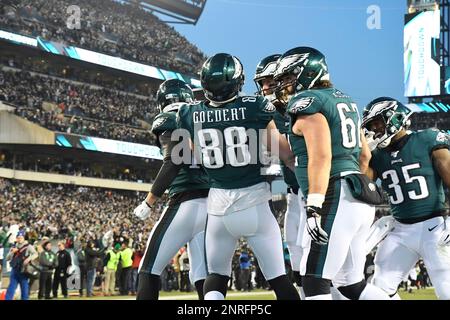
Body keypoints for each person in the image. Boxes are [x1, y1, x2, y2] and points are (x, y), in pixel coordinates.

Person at [176, 53, 300, 300]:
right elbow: (284, 153)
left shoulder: (188, 113)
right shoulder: (254, 107)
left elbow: (192, 156)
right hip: (254, 204)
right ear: (238, 81)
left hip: (218, 207)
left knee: (217, 277)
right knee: (278, 279)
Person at [274, 46, 390, 300]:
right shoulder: (344, 99)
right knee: (351, 284)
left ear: (307, 73)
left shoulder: (307, 103)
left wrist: (315, 204)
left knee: (314, 278)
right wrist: (351, 186)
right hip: (357, 194)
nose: (283, 84)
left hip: (334, 194)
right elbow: (364, 156)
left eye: (288, 77)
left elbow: (321, 155)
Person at [362, 97, 450, 300]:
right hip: (400, 230)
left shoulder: (428, 139)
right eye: (370, 126)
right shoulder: (377, 155)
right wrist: (363, 154)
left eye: (377, 123)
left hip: (434, 228)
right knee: (380, 287)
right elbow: (361, 188)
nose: (374, 130)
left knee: (446, 290)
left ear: (394, 118)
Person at [134, 79, 210, 300]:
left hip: (185, 202)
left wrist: (149, 201)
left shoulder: (169, 119)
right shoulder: (202, 116)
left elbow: (173, 161)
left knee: (148, 269)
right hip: (213, 204)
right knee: (202, 274)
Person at [254, 53, 306, 297]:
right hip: (295, 192)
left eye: (270, 81)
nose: (265, 87)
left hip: (315, 189)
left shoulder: (303, 107)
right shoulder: (268, 110)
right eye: (261, 82)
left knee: (317, 262)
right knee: (296, 253)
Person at [5, 230, 38, 300]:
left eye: (21, 237)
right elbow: (7, 258)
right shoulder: (13, 246)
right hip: (14, 270)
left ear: (23, 238)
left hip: (23, 270)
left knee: (24, 290)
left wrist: (28, 259)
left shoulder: (28, 246)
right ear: (16, 238)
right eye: (18, 237)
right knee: (11, 288)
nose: (19, 239)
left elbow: (35, 254)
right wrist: (12, 252)